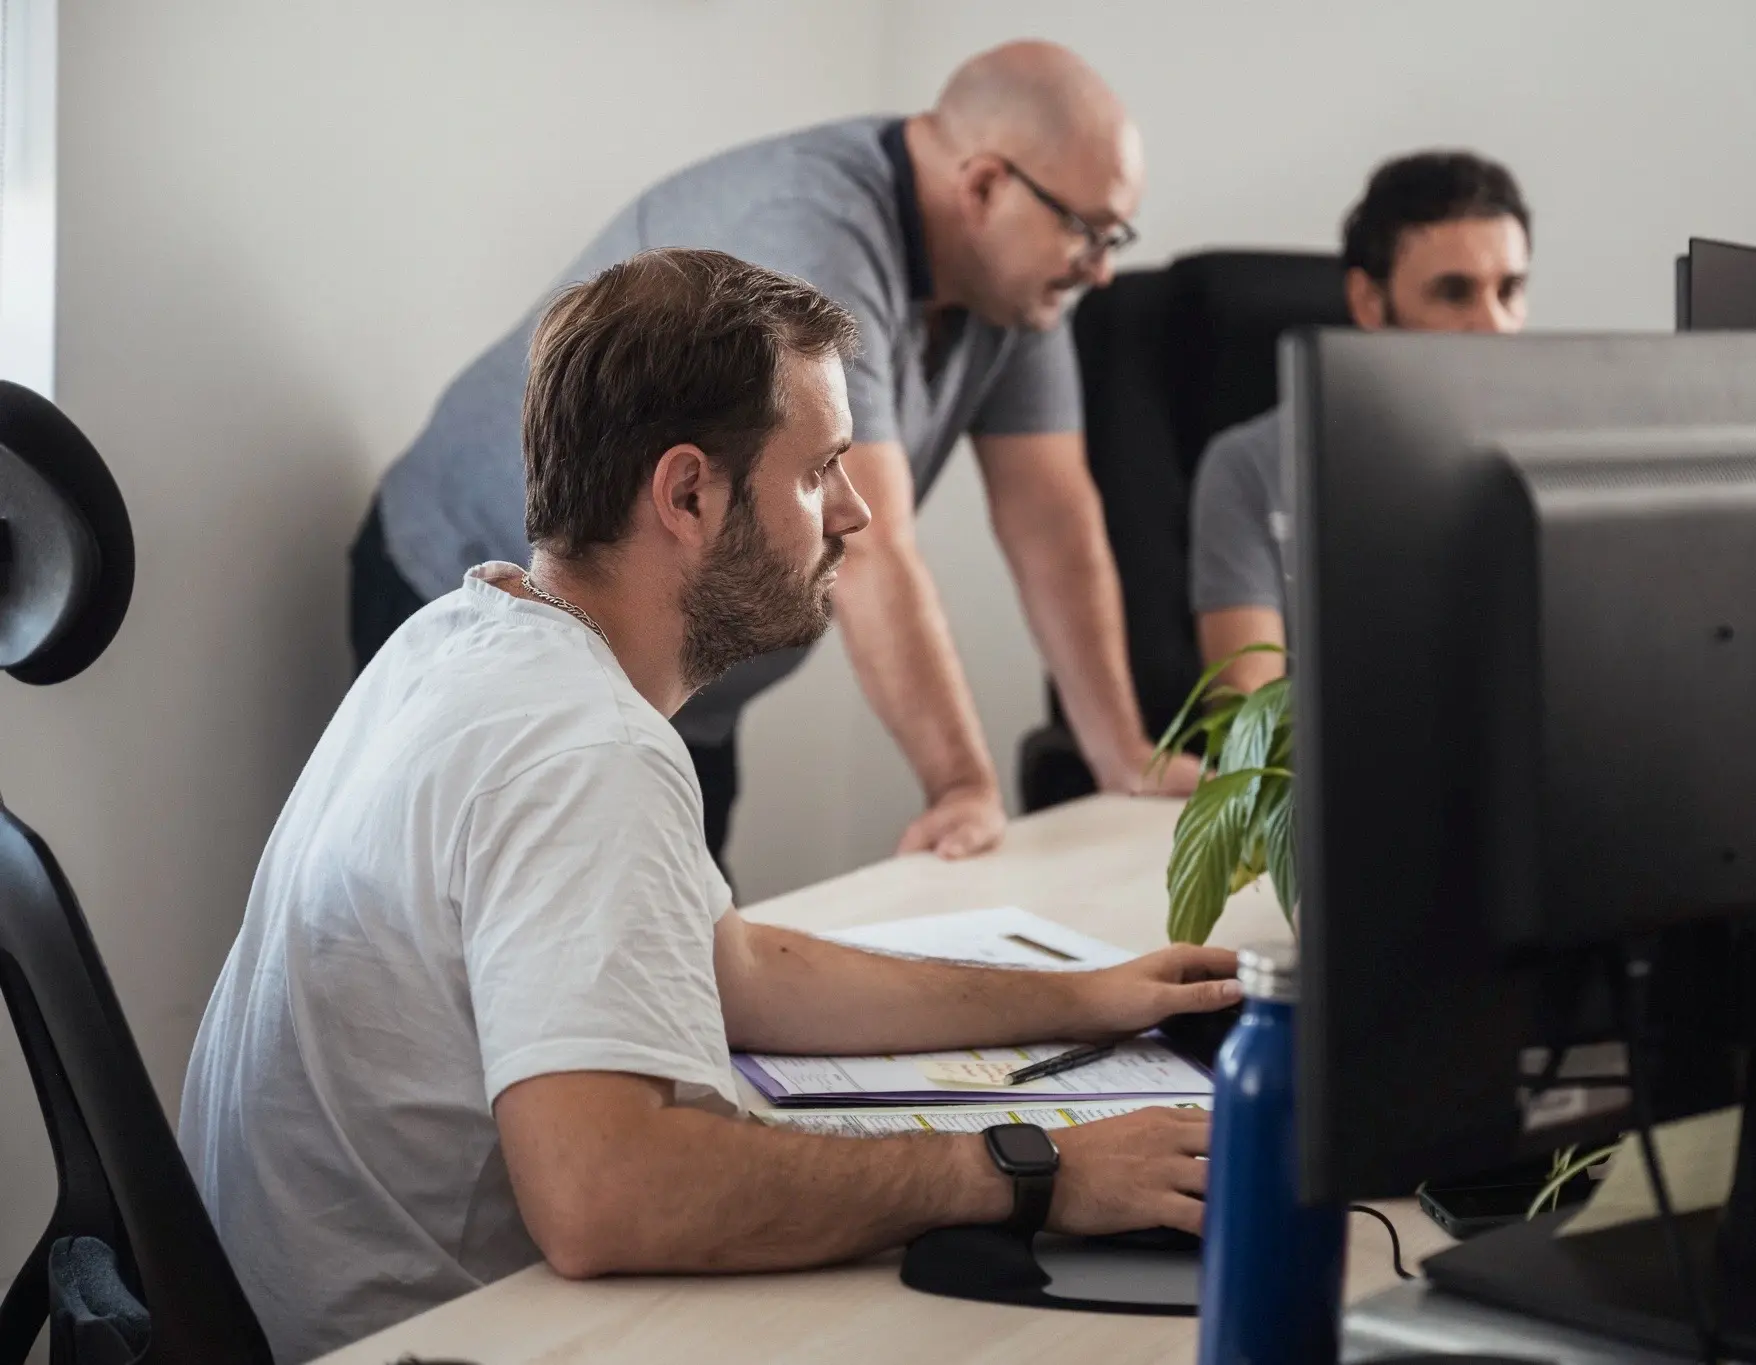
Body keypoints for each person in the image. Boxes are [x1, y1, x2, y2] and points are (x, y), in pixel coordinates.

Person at [183, 249, 1239, 1364]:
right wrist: (1037, 1170)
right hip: (416, 1339)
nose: (855, 512)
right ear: (686, 492)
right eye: (819, 469)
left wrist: (1075, 1001)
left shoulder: (466, 632)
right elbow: (610, 1196)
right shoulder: (584, 749)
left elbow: (727, 968)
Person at [353, 40, 1200, 867]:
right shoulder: (813, 232)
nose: (1102, 273)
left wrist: (1123, 753)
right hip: (476, 595)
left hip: (676, 677)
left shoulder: (1014, 289)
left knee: (686, 964)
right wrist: (962, 788)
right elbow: (872, 550)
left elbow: (1052, 518)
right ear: (983, 185)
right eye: (1090, 233)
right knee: (501, 972)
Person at [1188, 150, 1532, 694]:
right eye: (1454, 292)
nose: (1493, 326)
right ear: (1369, 302)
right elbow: (1249, 725)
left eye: (1509, 291)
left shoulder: (1552, 457)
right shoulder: (1252, 466)